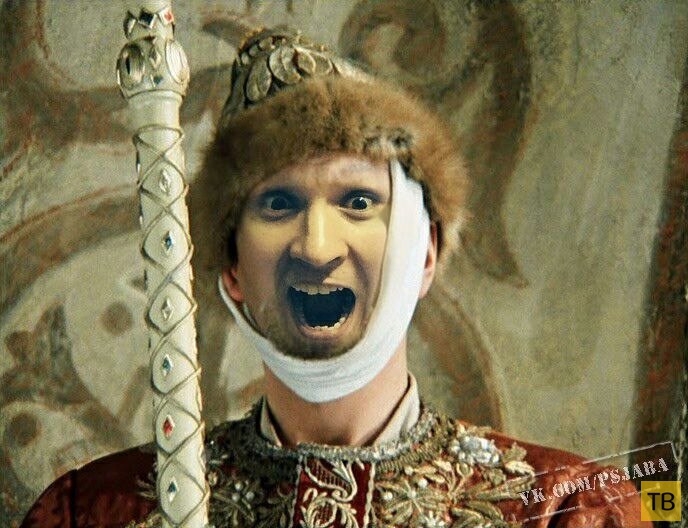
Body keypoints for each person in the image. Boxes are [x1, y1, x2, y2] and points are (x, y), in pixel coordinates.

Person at [21, 27, 649, 528]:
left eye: (357, 202)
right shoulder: (92, 513)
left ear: (424, 253)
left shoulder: (568, 511)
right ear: (233, 270)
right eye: (278, 205)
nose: (316, 248)